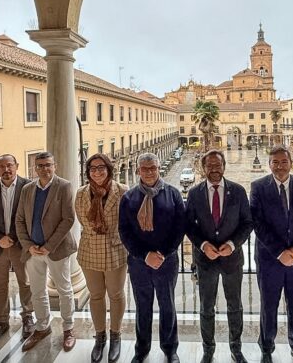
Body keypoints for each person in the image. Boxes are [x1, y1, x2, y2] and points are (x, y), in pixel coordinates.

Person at [250, 144, 293, 363]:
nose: (280, 166)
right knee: (268, 306)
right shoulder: (258, 187)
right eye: (275, 162)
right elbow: (257, 223)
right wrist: (280, 252)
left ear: (291, 162)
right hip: (270, 259)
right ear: (269, 164)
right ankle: (266, 348)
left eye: (283, 162)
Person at [186, 150, 253, 363]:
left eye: (218, 165)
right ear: (203, 168)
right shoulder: (195, 194)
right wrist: (203, 245)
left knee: (235, 305)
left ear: (224, 166)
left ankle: (236, 347)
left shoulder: (239, 191)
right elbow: (189, 225)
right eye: (209, 166)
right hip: (205, 261)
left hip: (232, 260)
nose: (214, 169)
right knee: (206, 307)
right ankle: (208, 349)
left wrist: (233, 244)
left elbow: (247, 223)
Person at [119, 152, 186, 363]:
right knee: (143, 306)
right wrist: (144, 255)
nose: (149, 172)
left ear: (158, 169)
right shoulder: (129, 197)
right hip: (139, 263)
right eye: (145, 169)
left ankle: (169, 348)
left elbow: (179, 227)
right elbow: (124, 232)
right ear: (138, 170)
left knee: (167, 305)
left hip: (167, 261)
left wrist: (163, 254)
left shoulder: (173, 194)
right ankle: (141, 349)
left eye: (153, 168)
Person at [15, 151, 78, 353]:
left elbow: (68, 219)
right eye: (40, 165)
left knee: (64, 289)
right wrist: (28, 245)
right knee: (37, 290)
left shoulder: (64, 186)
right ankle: (42, 327)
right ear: (35, 167)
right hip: (32, 249)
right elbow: (20, 220)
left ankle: (68, 328)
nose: (44, 169)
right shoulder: (27, 189)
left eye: (48, 165)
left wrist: (48, 246)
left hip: (56, 249)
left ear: (55, 166)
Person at [75, 153, 129, 363]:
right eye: (92, 168)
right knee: (96, 295)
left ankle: (115, 335)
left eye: (101, 167)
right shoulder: (80, 194)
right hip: (90, 251)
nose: (97, 171)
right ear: (88, 172)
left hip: (115, 251)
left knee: (116, 294)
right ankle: (100, 336)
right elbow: (81, 219)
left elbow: (127, 221)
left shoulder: (123, 191)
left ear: (109, 169)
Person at [0, 154, 35, 348]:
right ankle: (1, 322)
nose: (6, 169)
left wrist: (19, 239)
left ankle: (28, 317)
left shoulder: (29, 187)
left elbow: (33, 217)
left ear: (17, 166)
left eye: (9, 165)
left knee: (25, 283)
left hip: (21, 246)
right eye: (1, 166)